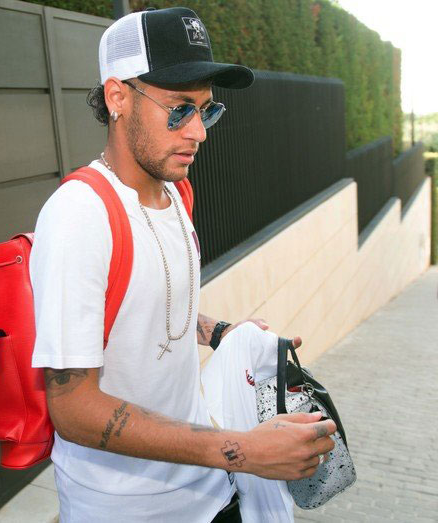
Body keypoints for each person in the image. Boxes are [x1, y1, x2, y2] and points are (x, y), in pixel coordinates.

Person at [30, 8, 336, 522]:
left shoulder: (175, 192)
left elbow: (149, 303)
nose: (199, 132)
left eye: (207, 111)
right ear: (117, 97)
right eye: (179, 110)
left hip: (209, 488)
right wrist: (241, 449)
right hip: (129, 508)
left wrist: (220, 332)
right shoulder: (79, 216)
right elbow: (72, 408)